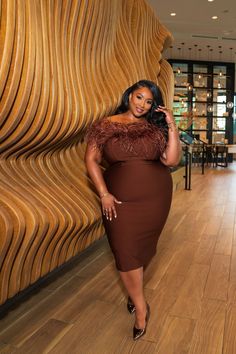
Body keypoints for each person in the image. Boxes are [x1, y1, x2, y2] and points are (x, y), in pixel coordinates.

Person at [85, 80, 181, 340]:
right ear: (129, 95)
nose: (142, 104)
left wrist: (171, 123)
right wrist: (103, 193)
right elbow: (91, 161)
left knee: (143, 250)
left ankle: (133, 291)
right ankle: (141, 309)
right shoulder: (106, 124)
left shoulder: (154, 128)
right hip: (118, 200)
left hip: (156, 197)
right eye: (139, 97)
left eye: (149, 101)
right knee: (125, 251)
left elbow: (171, 160)